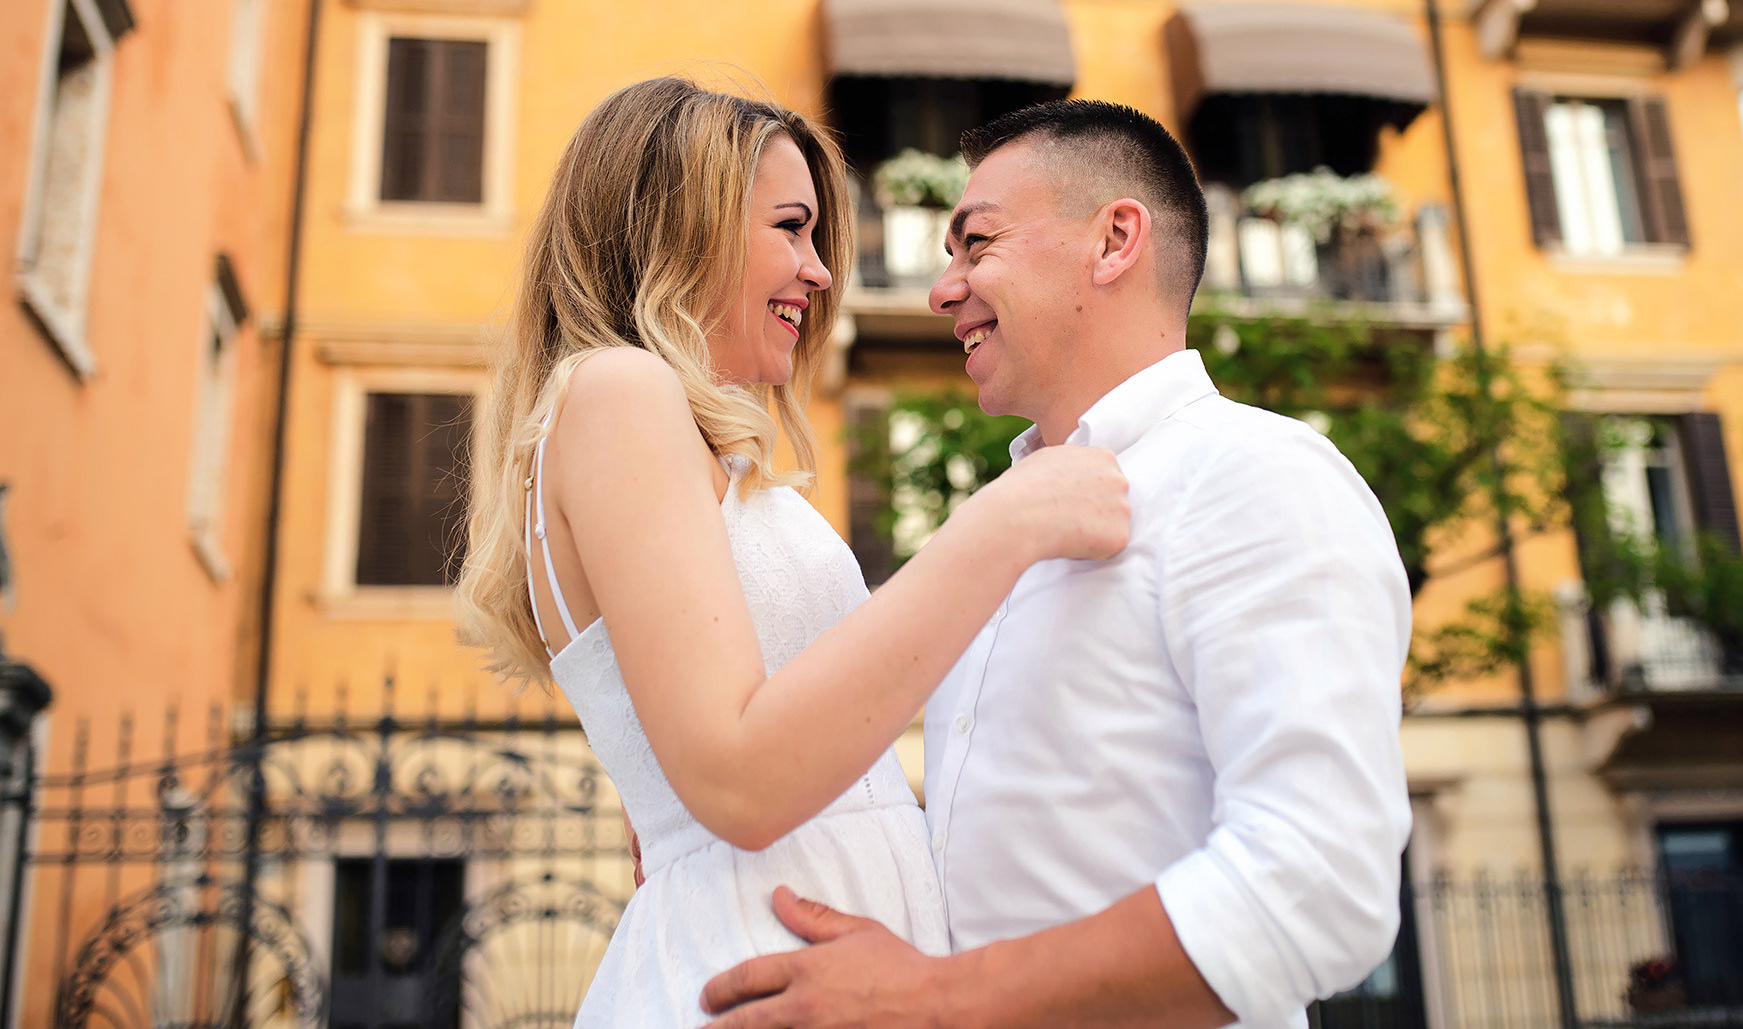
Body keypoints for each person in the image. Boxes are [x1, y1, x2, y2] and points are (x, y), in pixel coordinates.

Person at [699, 100, 1414, 1029]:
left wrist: (937, 998)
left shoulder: (1258, 477)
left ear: (1115, 240)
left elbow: (1320, 884)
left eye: (976, 244)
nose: (941, 290)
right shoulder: (1004, 527)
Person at [453, 78, 1131, 1027]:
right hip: (761, 962)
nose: (818, 274)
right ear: (677, 226)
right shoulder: (619, 390)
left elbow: (724, 733)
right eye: (791, 227)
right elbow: (738, 775)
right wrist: (1003, 522)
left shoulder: (665, 431)